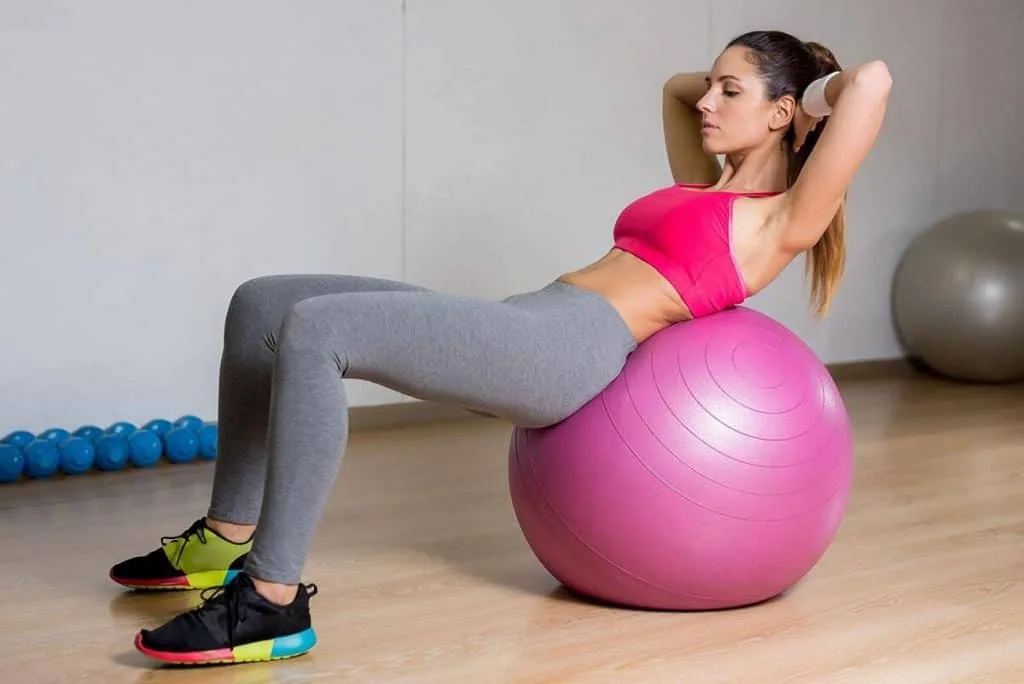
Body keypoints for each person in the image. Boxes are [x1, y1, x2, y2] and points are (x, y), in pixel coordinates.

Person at [113, 29, 892, 665]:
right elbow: (673, 89)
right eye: (716, 85)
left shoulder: (779, 221)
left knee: (317, 331)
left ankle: (270, 603)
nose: (709, 102)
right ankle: (223, 537)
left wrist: (817, 94)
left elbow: (874, 82)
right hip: (534, 316)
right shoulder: (702, 185)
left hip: (570, 351)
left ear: (784, 113)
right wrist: (749, 81)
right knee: (264, 302)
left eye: (733, 91)